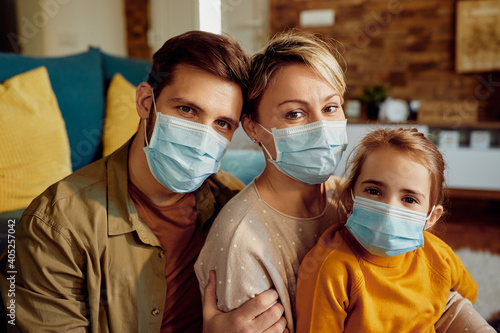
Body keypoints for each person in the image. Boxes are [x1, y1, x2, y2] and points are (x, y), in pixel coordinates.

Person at [0, 31, 287, 333]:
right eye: (187, 110)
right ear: (145, 102)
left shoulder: (233, 204)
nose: (204, 136)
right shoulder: (54, 227)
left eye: (222, 124)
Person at [195, 30, 349, 333]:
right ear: (252, 127)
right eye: (294, 113)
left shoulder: (353, 200)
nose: (321, 127)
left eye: (330, 107)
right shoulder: (242, 240)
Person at [295, 128, 495, 332]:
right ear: (349, 198)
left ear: (431, 217)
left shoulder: (439, 257)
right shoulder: (331, 269)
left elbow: (466, 296)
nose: (390, 209)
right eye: (374, 191)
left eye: (409, 199)